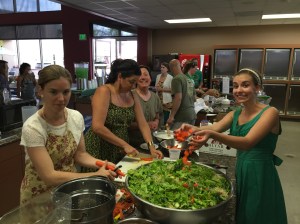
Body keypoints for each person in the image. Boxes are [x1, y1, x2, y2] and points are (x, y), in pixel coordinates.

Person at [181, 68, 287, 224]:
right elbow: (213, 128)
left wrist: (212, 135)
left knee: (258, 213)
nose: (239, 90)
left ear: (257, 88)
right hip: (241, 167)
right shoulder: (235, 113)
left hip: (260, 171)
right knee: (244, 212)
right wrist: (191, 129)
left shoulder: (270, 113)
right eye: (235, 86)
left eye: (245, 85)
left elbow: (247, 142)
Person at [20, 65, 117, 205]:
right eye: (53, 92)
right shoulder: (33, 127)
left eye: (66, 92)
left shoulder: (75, 117)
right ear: (41, 90)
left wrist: (103, 164)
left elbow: (80, 155)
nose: (61, 98)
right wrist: (95, 175)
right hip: (38, 195)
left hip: (67, 190)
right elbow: (49, 176)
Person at [83, 59, 163, 166]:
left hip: (121, 147)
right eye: (131, 82)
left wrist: (151, 147)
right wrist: (124, 144)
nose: (134, 86)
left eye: (135, 83)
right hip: (100, 145)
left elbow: (143, 124)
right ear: (120, 77)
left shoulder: (132, 95)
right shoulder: (104, 91)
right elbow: (97, 127)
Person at [129, 65, 163, 147]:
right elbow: (126, 123)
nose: (143, 77)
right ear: (135, 80)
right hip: (134, 143)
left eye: (146, 74)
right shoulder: (130, 96)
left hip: (152, 142)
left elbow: (158, 116)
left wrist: (155, 122)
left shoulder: (155, 97)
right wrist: (146, 124)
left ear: (150, 78)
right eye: (140, 75)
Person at [167, 59, 196, 130]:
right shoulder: (189, 79)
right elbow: (194, 98)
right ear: (180, 66)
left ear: (171, 68)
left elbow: (178, 98)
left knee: (176, 139)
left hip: (182, 117)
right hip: (192, 115)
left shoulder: (176, 79)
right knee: (187, 140)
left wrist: (171, 116)